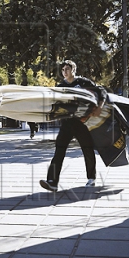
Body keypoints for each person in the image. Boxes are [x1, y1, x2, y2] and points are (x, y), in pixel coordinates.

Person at [40, 60, 107, 192]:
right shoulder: (60, 87)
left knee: (87, 149)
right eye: (63, 70)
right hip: (66, 124)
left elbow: (102, 91)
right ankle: (52, 182)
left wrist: (99, 107)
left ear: (73, 70)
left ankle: (91, 178)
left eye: (67, 69)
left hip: (82, 122)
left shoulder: (83, 83)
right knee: (59, 150)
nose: (65, 72)